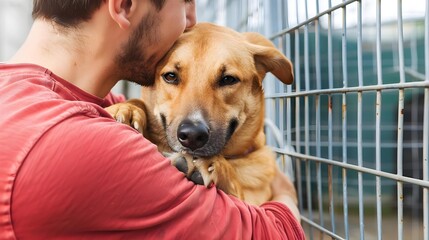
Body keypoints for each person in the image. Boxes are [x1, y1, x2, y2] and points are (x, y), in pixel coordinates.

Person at [0, 0, 305, 239]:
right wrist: (284, 190)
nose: (192, 20)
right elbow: (278, 234)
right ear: (125, 5)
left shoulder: (42, 100)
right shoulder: (81, 145)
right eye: (185, 1)